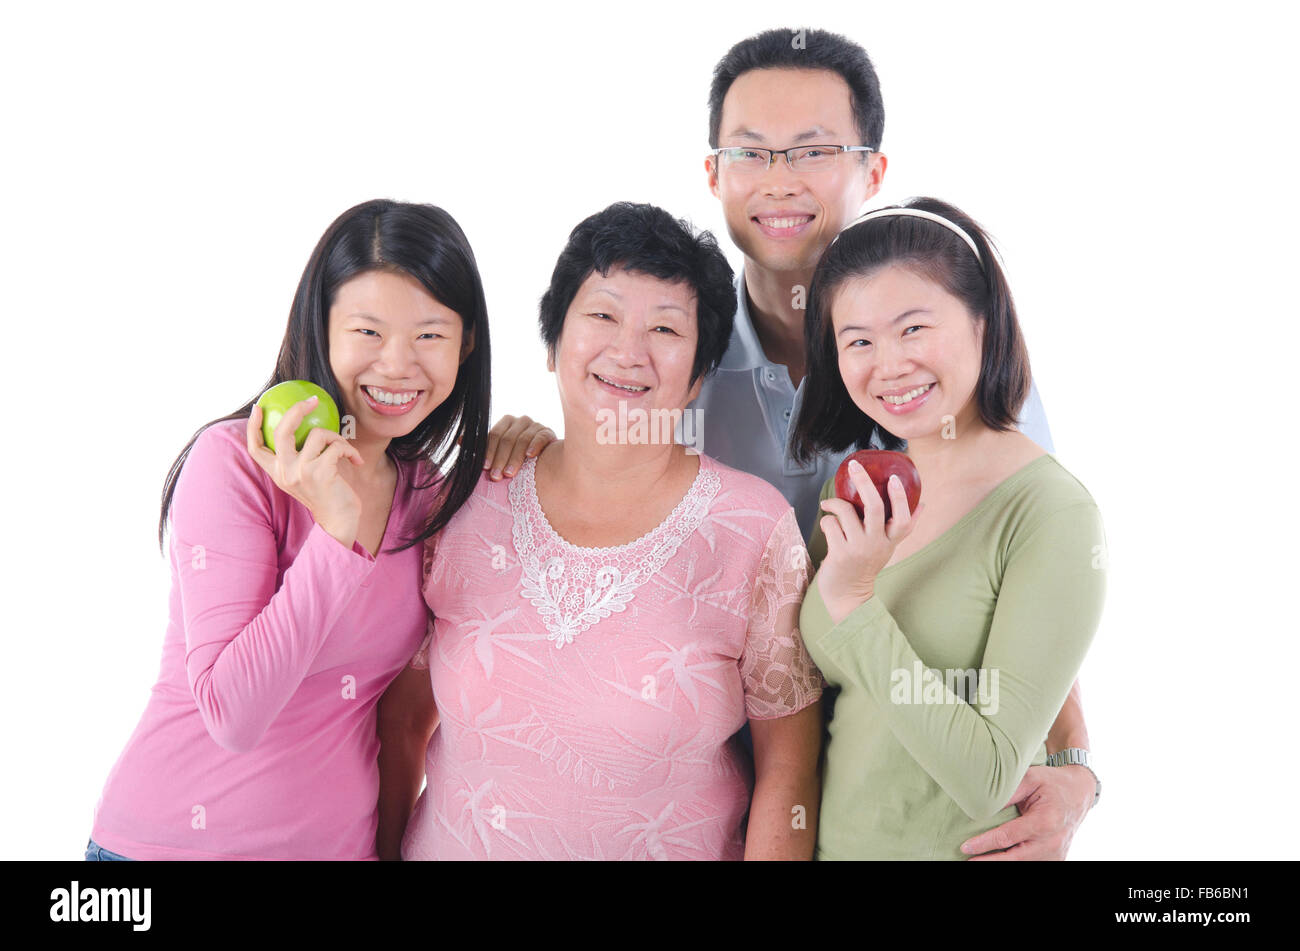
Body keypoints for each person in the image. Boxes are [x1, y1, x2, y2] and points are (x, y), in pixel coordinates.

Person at [492, 27, 1101, 857]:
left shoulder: (957, 379)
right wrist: (532, 441)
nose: (778, 181)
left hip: (898, 798)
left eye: (813, 150)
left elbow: (1024, 595)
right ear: (712, 173)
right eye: (751, 153)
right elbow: (593, 481)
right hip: (700, 782)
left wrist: (1075, 765)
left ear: (873, 169)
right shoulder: (674, 351)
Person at [385, 202, 825, 860]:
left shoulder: (754, 530)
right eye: (602, 314)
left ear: (700, 373)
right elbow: (400, 722)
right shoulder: (460, 504)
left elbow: (788, 772)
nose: (628, 350)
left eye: (666, 329)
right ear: (553, 343)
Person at [86, 199, 493, 860]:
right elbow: (233, 714)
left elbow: (403, 717)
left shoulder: (431, 499)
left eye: (429, 335)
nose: (396, 364)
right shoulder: (234, 465)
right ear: (321, 327)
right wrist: (335, 537)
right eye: (367, 332)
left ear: (466, 343)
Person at [792, 197, 1106, 859]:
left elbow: (985, 774)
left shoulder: (1052, 513)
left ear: (984, 324)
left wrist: (853, 601)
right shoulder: (859, 489)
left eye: (913, 329)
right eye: (859, 341)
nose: (889, 363)